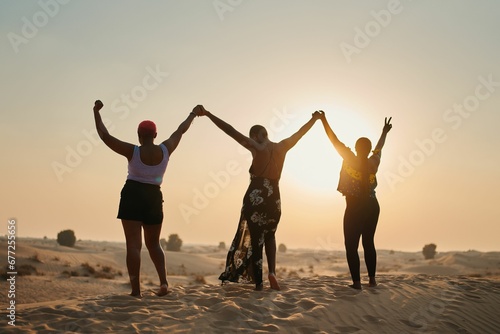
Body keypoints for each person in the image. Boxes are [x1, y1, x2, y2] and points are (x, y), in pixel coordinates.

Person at [198, 106, 322, 291]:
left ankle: (258, 283)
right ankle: (272, 272)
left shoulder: (256, 147)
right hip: (275, 198)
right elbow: (300, 133)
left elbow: (230, 130)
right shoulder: (282, 147)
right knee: (270, 235)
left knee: (256, 240)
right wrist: (314, 119)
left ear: (255, 136)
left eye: (252, 136)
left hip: (256, 196)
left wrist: (208, 115)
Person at [93, 100, 203, 297]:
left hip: (132, 194)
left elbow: (105, 136)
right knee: (154, 244)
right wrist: (193, 114)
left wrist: (96, 112)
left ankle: (136, 291)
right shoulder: (165, 149)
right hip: (153, 197)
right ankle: (163, 283)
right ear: (155, 135)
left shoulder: (132, 151)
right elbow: (180, 130)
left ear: (138, 135)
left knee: (134, 245)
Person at [319, 111, 392, 289]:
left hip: (354, 207)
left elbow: (334, 140)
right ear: (367, 150)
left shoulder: (349, 158)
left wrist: (323, 120)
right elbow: (379, 148)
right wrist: (384, 132)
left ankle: (357, 283)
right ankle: (372, 280)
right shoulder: (373, 162)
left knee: (351, 246)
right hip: (373, 206)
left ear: (355, 147)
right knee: (369, 242)